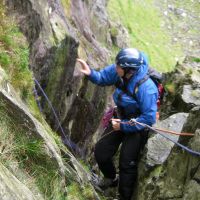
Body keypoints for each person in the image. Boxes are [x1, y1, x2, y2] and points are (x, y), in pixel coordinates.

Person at [77, 48, 158, 200]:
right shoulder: (119, 71)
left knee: (127, 164)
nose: (115, 68)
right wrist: (91, 73)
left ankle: (123, 197)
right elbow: (103, 77)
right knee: (101, 151)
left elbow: (148, 118)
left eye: (119, 66)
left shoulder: (146, 88)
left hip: (137, 126)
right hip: (120, 117)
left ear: (129, 70)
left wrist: (124, 125)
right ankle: (110, 178)